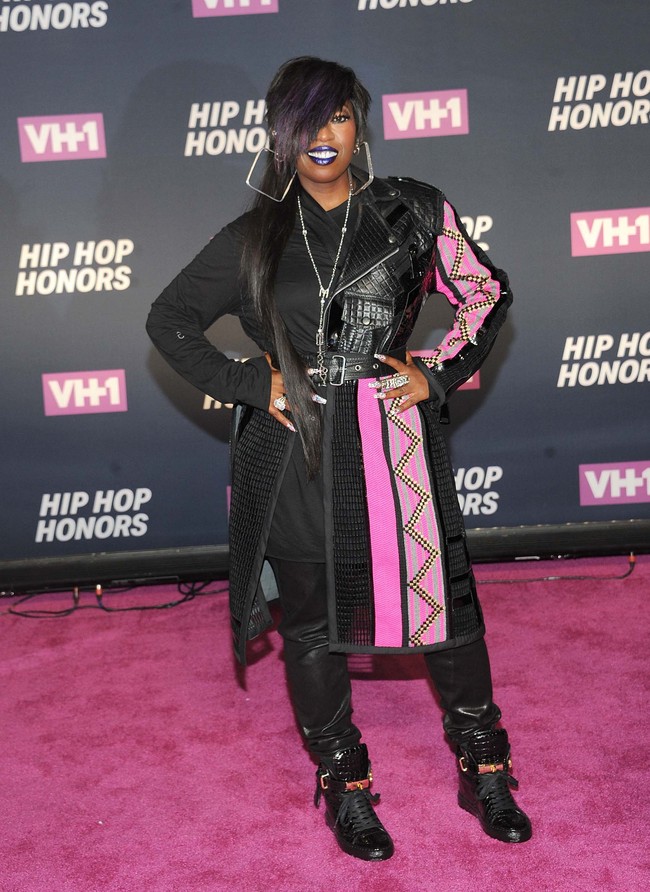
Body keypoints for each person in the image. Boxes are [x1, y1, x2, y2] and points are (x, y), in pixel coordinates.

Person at [146, 56, 532, 861]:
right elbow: (171, 318)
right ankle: (344, 781)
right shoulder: (253, 237)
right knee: (314, 625)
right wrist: (251, 381)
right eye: (305, 121)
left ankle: (484, 763)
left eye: (339, 117)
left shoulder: (415, 211)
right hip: (297, 453)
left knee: (446, 612)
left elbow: (485, 290)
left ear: (360, 124)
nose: (323, 136)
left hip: (394, 442)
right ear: (280, 136)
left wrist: (439, 368)